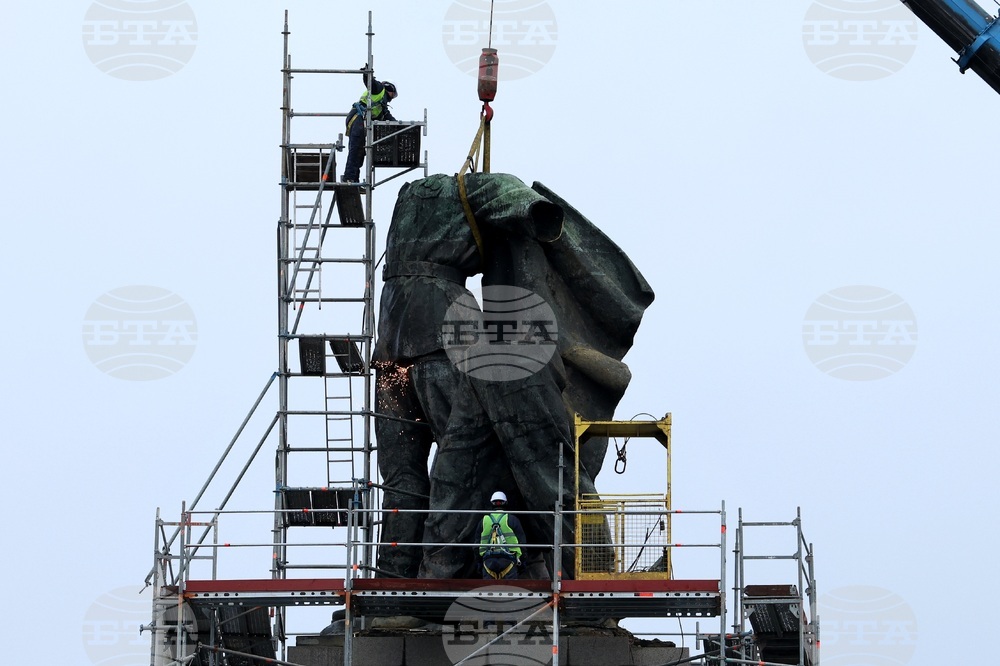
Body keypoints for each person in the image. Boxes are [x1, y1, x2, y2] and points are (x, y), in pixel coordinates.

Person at [342, 68, 397, 184]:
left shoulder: (382, 107)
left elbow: (390, 119)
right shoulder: (379, 89)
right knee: (355, 149)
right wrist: (367, 74)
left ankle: (354, 180)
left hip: (361, 122)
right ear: (390, 88)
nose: (392, 97)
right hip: (358, 118)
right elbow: (370, 83)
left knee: (360, 152)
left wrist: (400, 127)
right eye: (393, 94)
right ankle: (348, 178)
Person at [479, 491, 527, 580]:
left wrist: (479, 564)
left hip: (488, 562)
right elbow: (522, 543)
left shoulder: (484, 521)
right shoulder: (512, 519)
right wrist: (523, 563)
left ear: (491, 503)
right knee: (510, 588)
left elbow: (475, 545)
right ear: (506, 503)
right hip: (509, 562)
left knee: (488, 588)